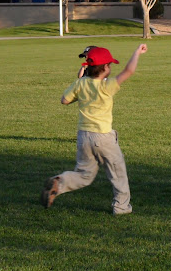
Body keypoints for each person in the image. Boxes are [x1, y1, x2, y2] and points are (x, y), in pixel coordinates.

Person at [40, 44, 148, 215]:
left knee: (84, 174)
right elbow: (129, 71)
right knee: (117, 173)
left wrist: (81, 91)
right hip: (104, 138)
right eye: (110, 65)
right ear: (105, 68)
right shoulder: (107, 86)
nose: (111, 67)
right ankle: (121, 208)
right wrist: (137, 53)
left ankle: (58, 182)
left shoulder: (80, 84)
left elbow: (64, 100)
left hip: (84, 137)